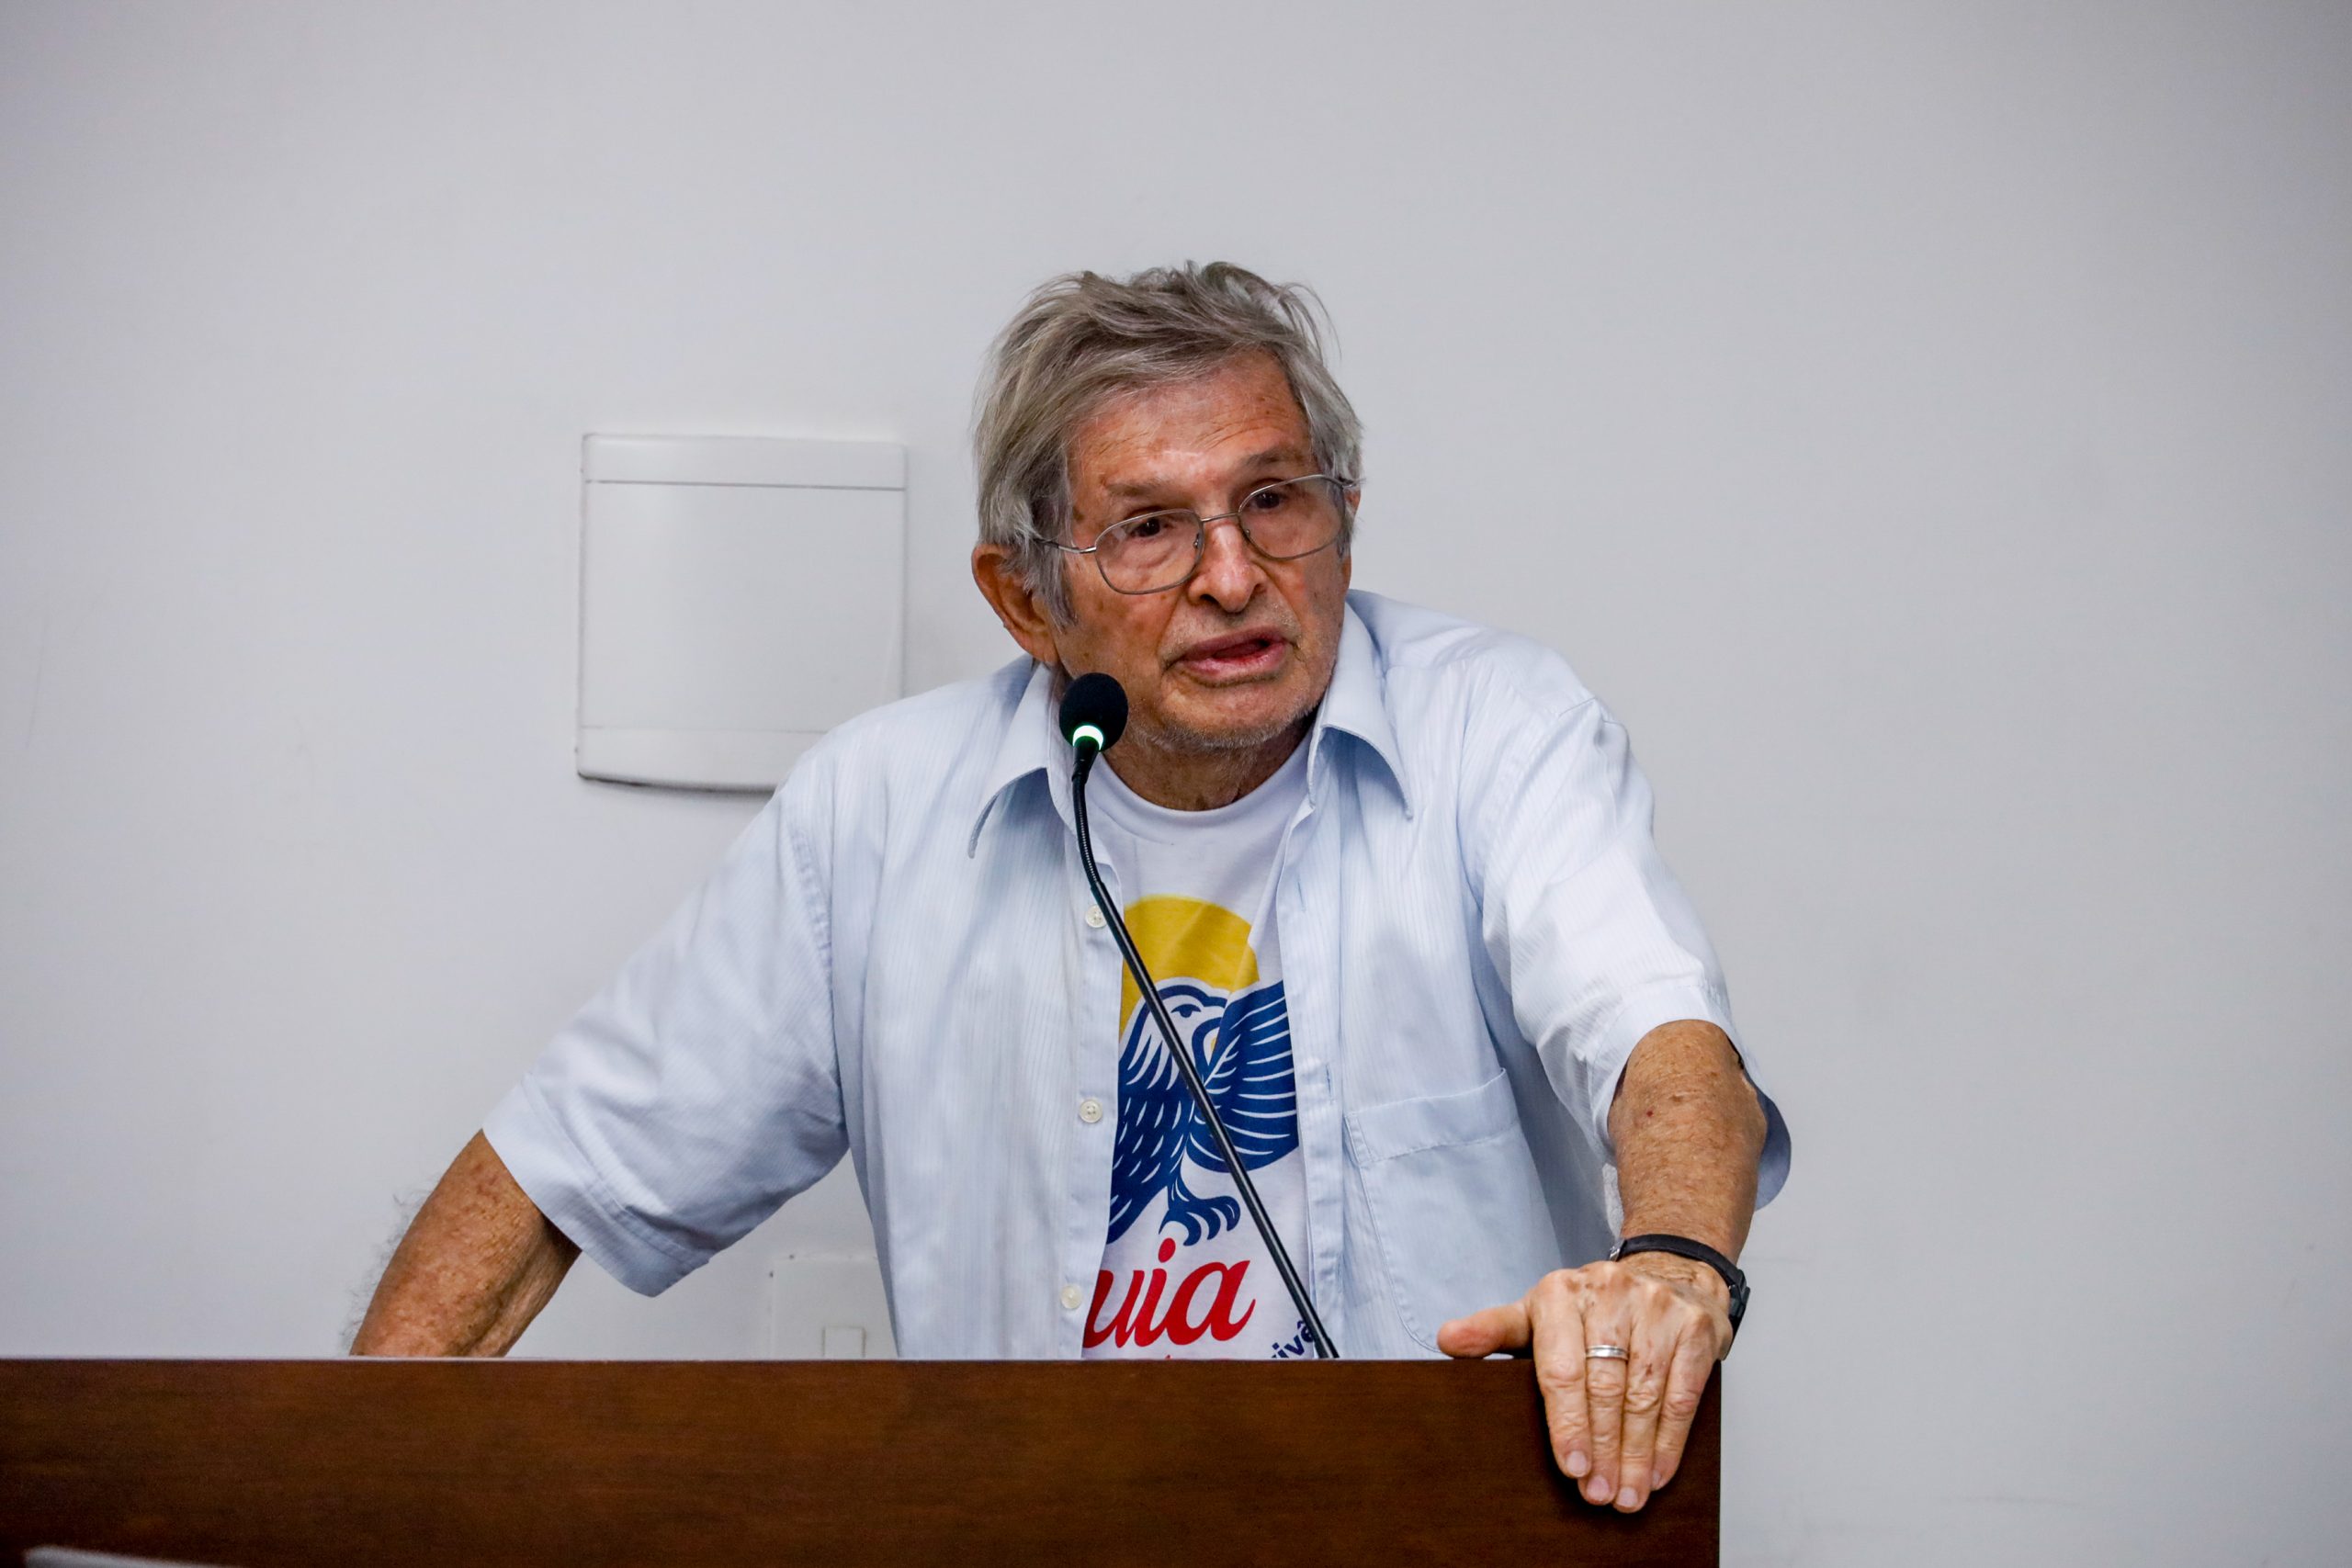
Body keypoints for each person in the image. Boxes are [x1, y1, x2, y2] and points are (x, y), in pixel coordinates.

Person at [354, 262, 1791, 1515]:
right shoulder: (877, 814)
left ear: (1344, 520)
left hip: (1425, 1536)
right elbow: (557, 1170)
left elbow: (1661, 1043)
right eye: (1148, 529)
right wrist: (344, 1492)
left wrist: (1672, 1262)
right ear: (1025, 598)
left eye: (1273, 502)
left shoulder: (1498, 727)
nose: (1231, 576)